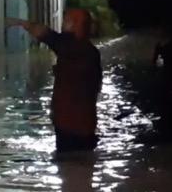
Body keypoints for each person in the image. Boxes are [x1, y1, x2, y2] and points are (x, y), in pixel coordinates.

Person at [6, 9, 102, 155]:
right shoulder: (89, 52)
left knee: (70, 169)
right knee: (80, 169)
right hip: (81, 125)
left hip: (72, 127)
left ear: (76, 25)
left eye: (67, 20)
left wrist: (19, 23)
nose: (63, 23)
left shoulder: (72, 48)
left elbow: (47, 35)